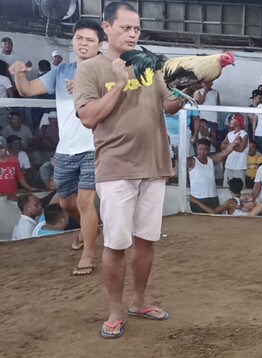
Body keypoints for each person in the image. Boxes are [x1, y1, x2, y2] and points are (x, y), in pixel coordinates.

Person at [74, 1, 192, 339]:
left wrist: (188, 88)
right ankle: (115, 310)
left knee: (146, 240)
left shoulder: (150, 65)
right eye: (125, 27)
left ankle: (139, 301)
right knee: (115, 243)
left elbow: (168, 104)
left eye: (137, 29)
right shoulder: (91, 69)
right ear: (107, 27)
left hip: (154, 164)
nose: (132, 33)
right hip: (116, 167)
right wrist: (123, 82)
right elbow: (88, 117)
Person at [10, 19, 104, 275]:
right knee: (65, 204)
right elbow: (28, 90)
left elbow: (118, 100)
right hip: (65, 150)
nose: (84, 44)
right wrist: (19, 75)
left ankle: (88, 254)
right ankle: (88, 229)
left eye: (90, 40)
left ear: (100, 45)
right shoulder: (62, 71)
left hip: (93, 148)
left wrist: (88, 90)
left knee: (86, 202)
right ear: (73, 40)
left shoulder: (107, 71)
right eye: (80, 38)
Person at [188, 138, 238, 213]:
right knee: (198, 222)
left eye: (205, 149)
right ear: (197, 148)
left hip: (213, 197)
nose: (202, 151)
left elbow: (226, 152)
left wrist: (234, 143)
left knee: (215, 221)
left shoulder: (211, 160)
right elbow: (182, 161)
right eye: (200, 149)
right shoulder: (192, 161)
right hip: (197, 198)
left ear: (209, 150)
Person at [221, 113, 249, 187]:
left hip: (239, 166)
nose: (230, 121)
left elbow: (241, 149)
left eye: (233, 119)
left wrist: (229, 146)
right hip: (229, 165)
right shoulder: (229, 134)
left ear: (238, 121)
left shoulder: (244, 134)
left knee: (239, 187)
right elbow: (222, 145)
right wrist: (233, 144)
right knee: (226, 187)